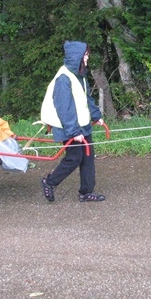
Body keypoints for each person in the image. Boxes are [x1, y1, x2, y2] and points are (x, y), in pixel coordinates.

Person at [40, 41, 106, 203]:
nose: (87, 57)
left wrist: (96, 116)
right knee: (75, 157)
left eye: (87, 54)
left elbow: (86, 98)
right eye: (85, 54)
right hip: (67, 125)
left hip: (81, 124)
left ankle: (86, 192)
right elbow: (65, 108)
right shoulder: (64, 78)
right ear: (76, 56)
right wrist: (74, 131)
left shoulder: (79, 74)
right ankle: (49, 182)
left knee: (88, 157)